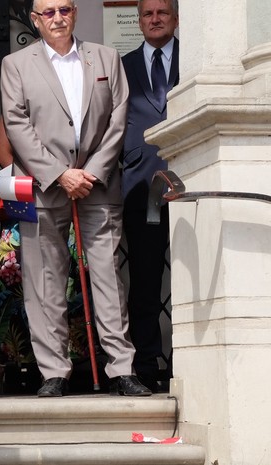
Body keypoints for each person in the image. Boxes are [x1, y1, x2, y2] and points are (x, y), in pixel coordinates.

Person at [0, 0, 151, 397]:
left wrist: (93, 170)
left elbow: (119, 116)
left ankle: (122, 368)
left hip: (97, 183)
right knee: (45, 280)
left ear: (75, 13)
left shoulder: (105, 57)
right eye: (48, 12)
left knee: (108, 276)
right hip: (43, 185)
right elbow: (16, 123)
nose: (58, 18)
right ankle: (54, 371)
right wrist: (59, 174)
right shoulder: (16, 65)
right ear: (35, 20)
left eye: (64, 10)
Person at [121, 0, 179, 393]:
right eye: (147, 14)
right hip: (141, 186)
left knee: (197, 272)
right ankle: (146, 364)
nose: (155, 19)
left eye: (162, 12)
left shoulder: (196, 59)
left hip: (192, 178)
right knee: (144, 279)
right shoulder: (122, 67)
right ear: (139, 20)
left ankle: (189, 358)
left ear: (176, 18)